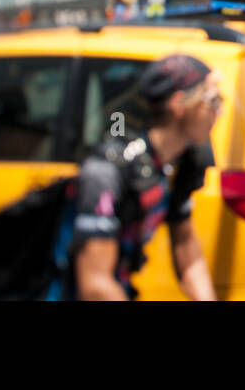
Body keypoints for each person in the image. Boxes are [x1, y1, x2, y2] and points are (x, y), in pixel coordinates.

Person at [70, 54, 220, 301]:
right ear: (179, 104)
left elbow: (186, 248)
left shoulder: (178, 164)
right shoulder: (108, 171)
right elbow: (95, 285)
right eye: (212, 101)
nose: (220, 112)